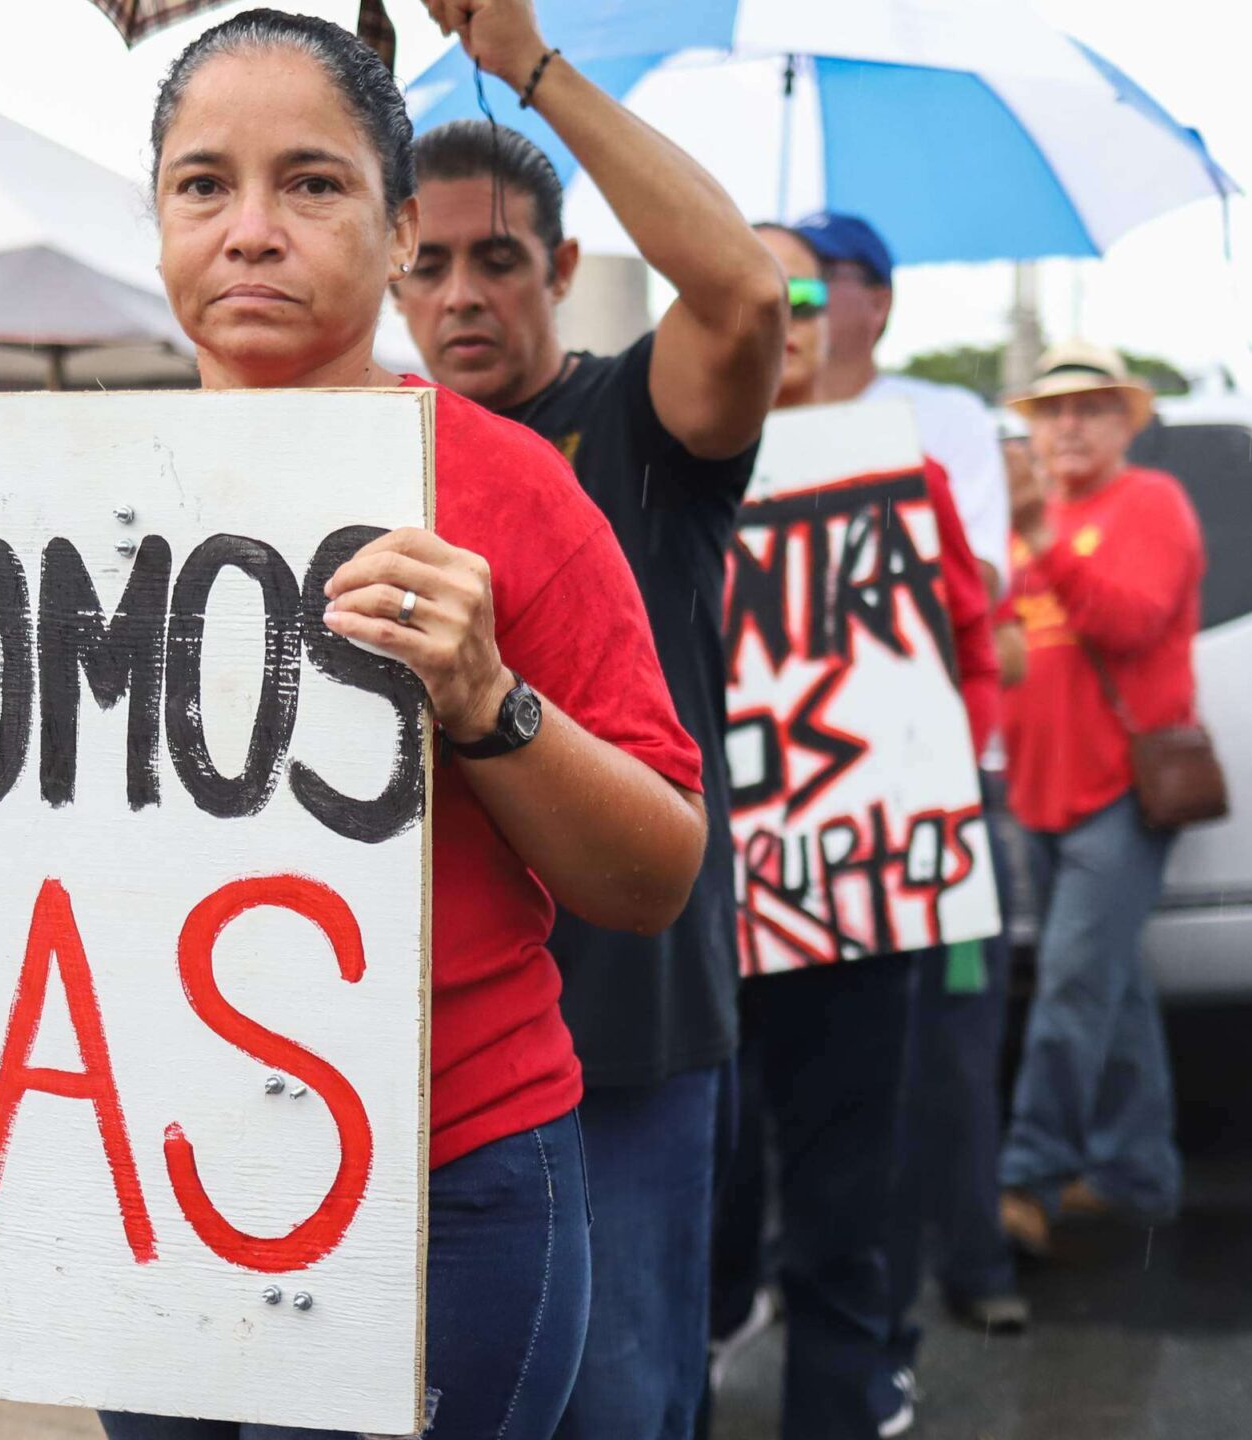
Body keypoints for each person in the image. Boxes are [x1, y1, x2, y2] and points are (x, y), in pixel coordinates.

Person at [95, 12, 709, 1438]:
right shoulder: (78, 498)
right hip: (152, 1163)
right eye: (203, 185)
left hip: (449, 1182)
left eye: (310, 184)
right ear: (160, 220)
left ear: (389, 240)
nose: (250, 230)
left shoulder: (507, 490)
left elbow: (656, 875)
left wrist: (490, 705)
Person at [394, 3, 787, 1432]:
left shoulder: (638, 422)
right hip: (412, 1066)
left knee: (616, 1410)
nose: (461, 296)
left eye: (497, 259)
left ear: (562, 268)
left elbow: (747, 296)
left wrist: (532, 72)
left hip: (623, 1033)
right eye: (426, 262)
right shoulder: (354, 454)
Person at [703, 222, 998, 1440]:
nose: (779, 313)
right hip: (696, 906)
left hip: (859, 895)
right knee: (711, 1185)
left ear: (851, 319)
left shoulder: (906, 474)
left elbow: (973, 658)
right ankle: (700, 1356)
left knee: (846, 1195)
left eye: (804, 291)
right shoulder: (659, 470)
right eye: (746, 286)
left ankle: (846, 1391)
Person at [992, 343, 1202, 1255]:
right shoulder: (1013, 523)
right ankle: (1136, 1173)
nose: (1068, 426)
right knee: (1107, 991)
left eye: (1091, 408)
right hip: (1034, 792)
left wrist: (1040, 537)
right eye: (1051, 411)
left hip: (1118, 793)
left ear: (1127, 422)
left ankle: (1026, 1179)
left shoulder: (1150, 504)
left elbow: (1131, 620)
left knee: (1073, 990)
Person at [799, 213, 1010, 594]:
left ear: (879, 304)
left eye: (821, 275)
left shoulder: (949, 416)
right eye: (782, 277)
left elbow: (983, 576)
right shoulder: (738, 423)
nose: (797, 292)